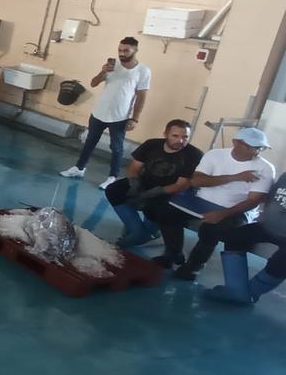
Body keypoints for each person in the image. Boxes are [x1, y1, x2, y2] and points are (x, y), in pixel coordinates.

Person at [155, 128, 275, 280]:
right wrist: (235, 177)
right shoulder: (215, 155)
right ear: (236, 143)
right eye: (252, 146)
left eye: (261, 148)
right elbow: (197, 180)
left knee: (211, 229)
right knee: (166, 213)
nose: (257, 151)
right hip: (202, 200)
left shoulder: (266, 168)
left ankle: (193, 266)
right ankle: (173, 253)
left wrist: (222, 214)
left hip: (236, 209)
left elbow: (253, 201)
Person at [59, 37, 151, 189]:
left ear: (135, 50)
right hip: (99, 113)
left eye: (126, 50)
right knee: (89, 142)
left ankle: (112, 177)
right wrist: (102, 72)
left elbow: (141, 97)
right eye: (120, 50)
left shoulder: (143, 71)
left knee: (116, 148)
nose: (122, 53)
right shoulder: (111, 66)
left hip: (119, 116)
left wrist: (135, 119)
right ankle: (79, 168)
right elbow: (93, 83)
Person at [104, 119, 203, 247]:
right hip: (145, 183)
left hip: (171, 193)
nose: (180, 141)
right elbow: (134, 168)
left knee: (156, 209)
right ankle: (137, 229)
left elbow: (180, 185)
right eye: (175, 136)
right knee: (114, 190)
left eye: (185, 137)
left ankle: (133, 237)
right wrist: (135, 183)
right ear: (165, 134)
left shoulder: (193, 154)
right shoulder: (151, 144)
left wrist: (152, 193)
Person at [204, 171, 286, 305]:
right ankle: (236, 289)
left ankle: (251, 292)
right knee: (235, 237)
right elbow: (273, 196)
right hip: (268, 226)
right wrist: (265, 213)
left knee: (281, 262)